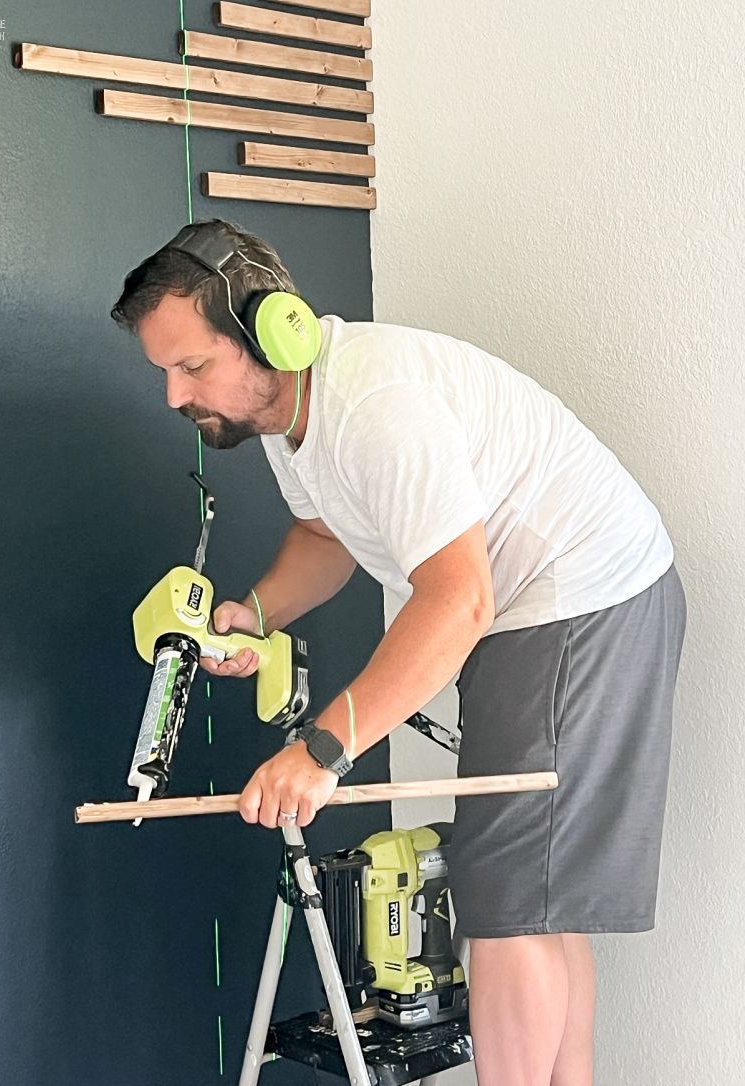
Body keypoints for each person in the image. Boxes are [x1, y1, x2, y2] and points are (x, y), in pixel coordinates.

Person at [111, 218, 686, 1086]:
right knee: (534, 894)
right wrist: (254, 613)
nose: (172, 395)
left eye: (190, 366)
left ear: (275, 331)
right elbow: (324, 533)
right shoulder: (296, 418)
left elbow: (458, 598)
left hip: (581, 598)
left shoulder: (376, 405)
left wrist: (324, 751)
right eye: (164, 371)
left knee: (505, 905)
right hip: (536, 609)